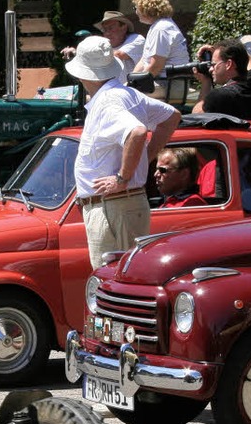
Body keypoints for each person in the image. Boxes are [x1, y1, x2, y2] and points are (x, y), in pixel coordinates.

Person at [65, 35, 180, 267]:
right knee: (121, 280)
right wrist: (143, 160)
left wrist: (122, 178)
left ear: (82, 73)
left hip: (112, 206)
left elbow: (137, 132)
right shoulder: (125, 94)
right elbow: (171, 117)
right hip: (119, 204)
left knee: (113, 283)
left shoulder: (108, 101)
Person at [130, 0, 189, 100]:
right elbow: (144, 60)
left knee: (124, 98)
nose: (136, 12)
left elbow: (156, 65)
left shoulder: (161, 29)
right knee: (123, 92)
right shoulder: (160, 26)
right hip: (164, 83)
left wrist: (133, 86)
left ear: (144, 7)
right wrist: (130, 81)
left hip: (168, 85)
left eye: (136, 7)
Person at [192, 39, 251, 122]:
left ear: (229, 64)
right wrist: (222, 51)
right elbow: (250, 60)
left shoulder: (218, 96)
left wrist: (206, 82)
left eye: (213, 64)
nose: (210, 69)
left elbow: (196, 117)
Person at [62, 12, 143, 81]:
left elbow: (118, 55)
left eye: (110, 28)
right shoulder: (104, 46)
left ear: (124, 27)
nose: (107, 33)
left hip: (133, 93)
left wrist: (79, 53)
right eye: (104, 30)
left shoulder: (136, 39)